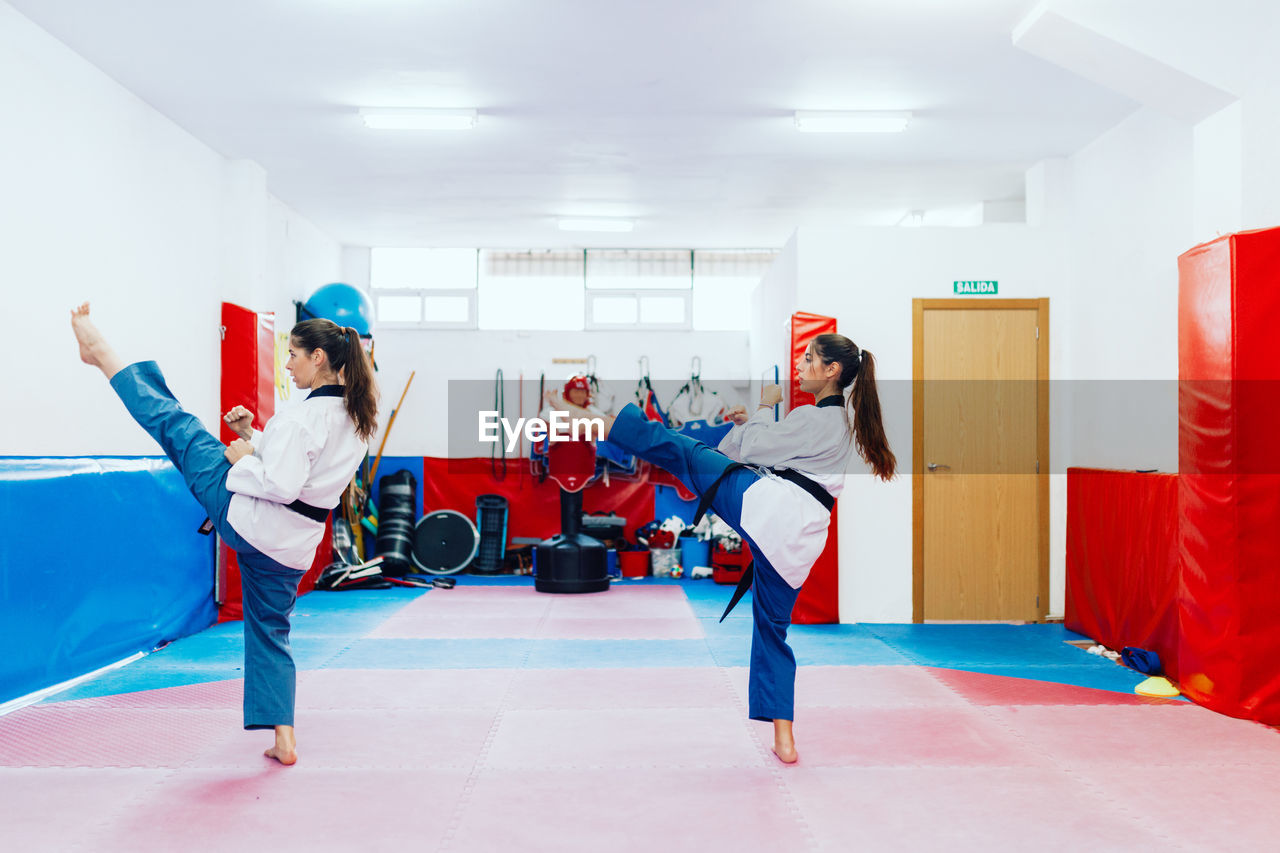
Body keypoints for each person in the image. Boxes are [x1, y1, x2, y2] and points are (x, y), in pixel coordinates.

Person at [546, 333, 895, 764]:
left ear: (831, 371)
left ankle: (589, 418)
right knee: (772, 628)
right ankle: (784, 739)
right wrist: (750, 420)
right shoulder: (836, 423)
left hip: (770, 511)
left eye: (808, 360)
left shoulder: (819, 420)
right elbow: (760, 452)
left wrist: (766, 406)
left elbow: (751, 448)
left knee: (679, 446)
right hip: (796, 542)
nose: (800, 367)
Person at [70, 303, 378, 766]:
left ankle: (102, 353)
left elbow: (279, 483)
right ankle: (284, 739)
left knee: (179, 427)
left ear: (318, 357)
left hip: (250, 521)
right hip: (291, 548)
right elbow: (300, 476)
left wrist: (242, 459)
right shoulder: (357, 422)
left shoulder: (301, 418)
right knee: (272, 632)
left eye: (293, 354)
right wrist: (251, 437)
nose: (288, 365)